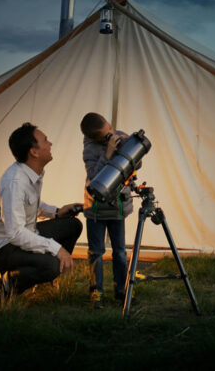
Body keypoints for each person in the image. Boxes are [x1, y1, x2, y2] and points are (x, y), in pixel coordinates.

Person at [0, 122, 83, 300]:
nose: (50, 144)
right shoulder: (14, 182)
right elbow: (15, 234)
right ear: (33, 152)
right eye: (45, 141)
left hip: (23, 234)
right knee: (52, 264)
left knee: (72, 225)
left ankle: (40, 279)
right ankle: (3, 285)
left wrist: (57, 212)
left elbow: (33, 204)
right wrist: (57, 249)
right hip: (1, 247)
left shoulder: (32, 172)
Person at [79, 112, 134, 309]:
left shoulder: (120, 135)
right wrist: (108, 154)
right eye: (106, 134)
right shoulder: (90, 150)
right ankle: (96, 291)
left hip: (117, 206)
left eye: (110, 128)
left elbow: (136, 163)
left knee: (120, 252)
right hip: (96, 209)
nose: (111, 134)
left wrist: (131, 146)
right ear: (95, 138)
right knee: (96, 252)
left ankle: (122, 289)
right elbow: (94, 176)